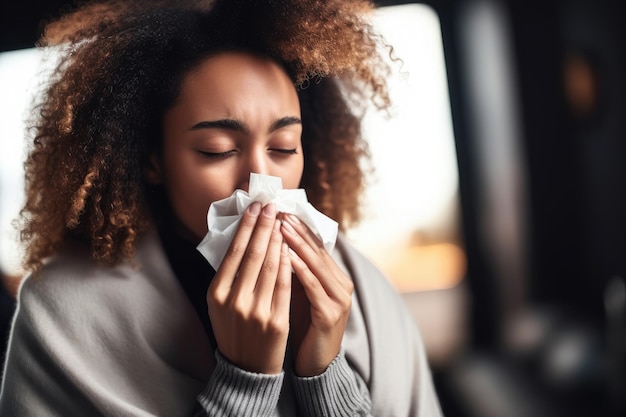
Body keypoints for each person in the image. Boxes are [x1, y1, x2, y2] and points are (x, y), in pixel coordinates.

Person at [0, 0, 443, 415]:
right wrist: (244, 384)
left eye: (284, 148)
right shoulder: (64, 312)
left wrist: (325, 376)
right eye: (216, 150)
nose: (259, 180)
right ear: (153, 159)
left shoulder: (354, 284)